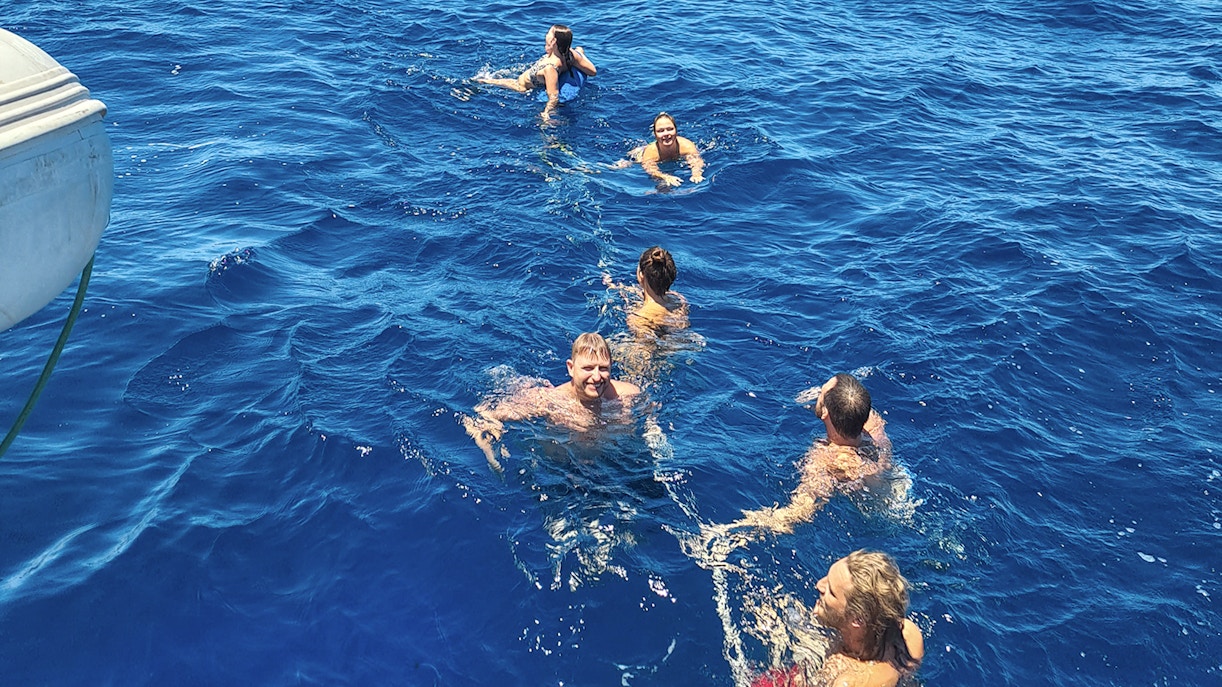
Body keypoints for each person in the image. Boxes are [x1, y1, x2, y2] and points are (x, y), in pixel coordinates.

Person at [724, 373, 892, 536]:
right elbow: (847, 406)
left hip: (878, 516)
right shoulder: (872, 426)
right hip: (892, 489)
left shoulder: (829, 461)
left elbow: (801, 510)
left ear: (825, 411)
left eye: (821, 393)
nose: (818, 393)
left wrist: (735, 529)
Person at [462, 332, 640, 471]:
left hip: (610, 466)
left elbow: (649, 423)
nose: (596, 376)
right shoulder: (549, 400)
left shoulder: (628, 395)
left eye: (603, 368)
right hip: (560, 469)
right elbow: (484, 415)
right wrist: (490, 450)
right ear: (571, 368)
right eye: (588, 368)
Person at [803, 550, 924, 687]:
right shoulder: (908, 633)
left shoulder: (848, 680)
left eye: (831, 592)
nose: (819, 585)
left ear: (857, 620)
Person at [473, 24, 597, 121]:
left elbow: (553, 96)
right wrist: (580, 54)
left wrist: (546, 113)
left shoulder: (551, 68)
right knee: (580, 49)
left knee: (486, 81)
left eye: (548, 33)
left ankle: (475, 85)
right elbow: (592, 71)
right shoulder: (571, 54)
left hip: (522, 86)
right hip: (544, 68)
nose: (546, 35)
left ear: (553, 41)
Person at [621, 112, 705, 186]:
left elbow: (696, 161)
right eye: (660, 131)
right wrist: (665, 176)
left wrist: (696, 174)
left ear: (676, 130)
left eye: (670, 129)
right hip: (643, 154)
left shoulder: (687, 146)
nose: (666, 134)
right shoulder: (651, 153)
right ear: (655, 134)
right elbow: (651, 170)